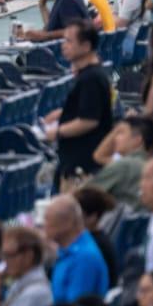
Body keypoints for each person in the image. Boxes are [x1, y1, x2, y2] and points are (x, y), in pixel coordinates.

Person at [47, 21, 113, 188]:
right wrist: (62, 114)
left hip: (84, 164)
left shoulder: (91, 78)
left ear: (85, 46)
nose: (64, 46)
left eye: (69, 41)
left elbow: (89, 120)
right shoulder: (90, 74)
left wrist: (57, 131)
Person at [43, 195, 109, 302]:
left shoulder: (84, 259)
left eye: (48, 220)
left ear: (68, 223)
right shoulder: (66, 251)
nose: (44, 226)